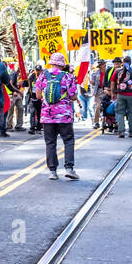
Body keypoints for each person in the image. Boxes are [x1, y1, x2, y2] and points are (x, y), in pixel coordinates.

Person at [36, 52, 79, 180]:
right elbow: (73, 96)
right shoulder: (68, 77)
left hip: (47, 115)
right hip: (64, 115)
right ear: (62, 64)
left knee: (50, 142)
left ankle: (53, 171)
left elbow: (38, 95)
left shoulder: (43, 75)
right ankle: (69, 168)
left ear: (51, 62)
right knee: (68, 140)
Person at [109, 55, 132, 138]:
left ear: (123, 63)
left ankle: (121, 131)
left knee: (120, 113)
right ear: (130, 63)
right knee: (131, 114)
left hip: (120, 95)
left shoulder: (117, 71)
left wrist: (112, 93)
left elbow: (112, 82)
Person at [27, 65, 44, 134]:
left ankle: (39, 128)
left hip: (40, 98)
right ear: (34, 70)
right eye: (36, 70)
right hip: (32, 97)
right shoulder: (31, 77)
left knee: (40, 113)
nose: (37, 72)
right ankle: (32, 128)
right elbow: (26, 84)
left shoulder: (43, 78)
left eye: (39, 70)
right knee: (32, 113)